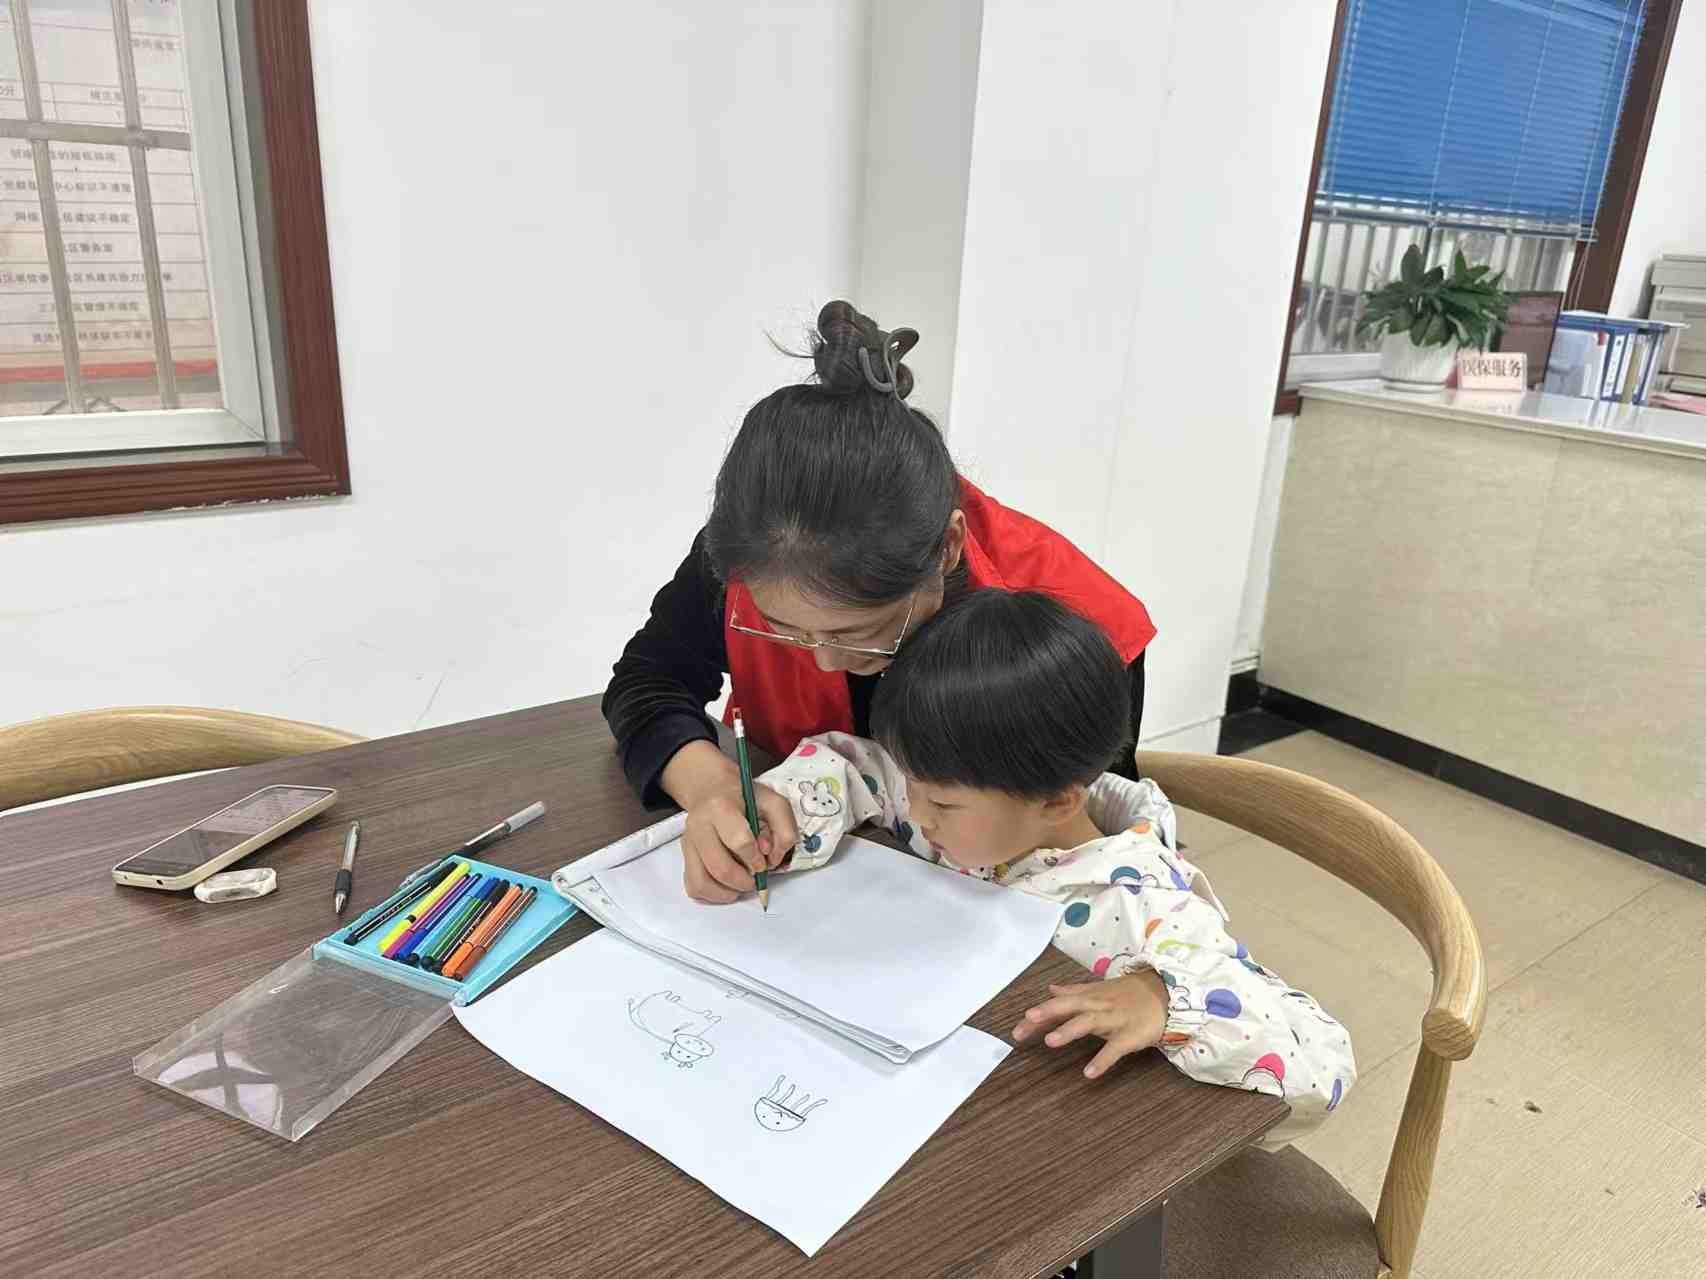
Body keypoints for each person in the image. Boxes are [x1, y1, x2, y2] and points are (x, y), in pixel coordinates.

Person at [752, 589, 1355, 1145]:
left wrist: (1165, 1000)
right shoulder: (958, 799)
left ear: (1057, 802)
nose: (914, 811)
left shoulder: (1144, 907)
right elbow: (855, 766)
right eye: (912, 786)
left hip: (1078, 1142)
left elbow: (1324, 1063)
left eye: (941, 803)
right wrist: (782, 811)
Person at [604, 300, 1156, 903]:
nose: (821, 661)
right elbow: (648, 680)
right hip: (814, 883)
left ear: (947, 549)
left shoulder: (1076, 638)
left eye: (859, 632)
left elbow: (1087, 853)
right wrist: (712, 786)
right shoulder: (754, 554)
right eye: (782, 627)